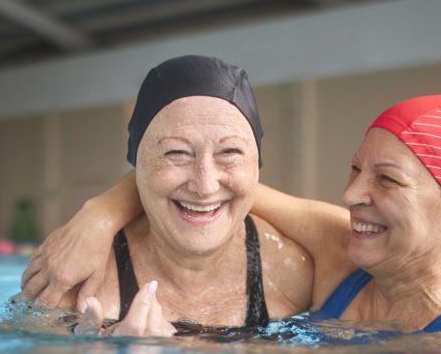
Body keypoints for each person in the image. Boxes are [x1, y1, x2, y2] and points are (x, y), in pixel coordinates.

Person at [22, 94, 441, 333]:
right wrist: (98, 215)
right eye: (356, 169)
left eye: (387, 179)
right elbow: (224, 189)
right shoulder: (341, 250)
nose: (351, 195)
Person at [27, 55, 314, 337]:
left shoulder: (293, 276)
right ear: (137, 166)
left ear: (256, 165)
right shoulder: (78, 279)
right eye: (176, 153)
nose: (205, 186)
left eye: (229, 153)